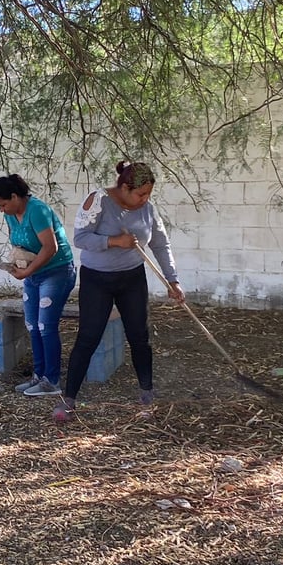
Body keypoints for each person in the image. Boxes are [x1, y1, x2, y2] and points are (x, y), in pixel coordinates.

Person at [55, 161, 185, 421]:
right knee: (88, 337)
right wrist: (114, 241)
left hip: (132, 279)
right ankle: (68, 401)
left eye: (148, 194)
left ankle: (147, 395)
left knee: (140, 336)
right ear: (125, 188)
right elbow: (80, 238)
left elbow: (160, 243)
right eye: (140, 194)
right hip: (97, 280)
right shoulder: (98, 201)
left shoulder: (147, 209)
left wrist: (173, 280)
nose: (145, 199)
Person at [0, 174, 77, 397]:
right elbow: (19, 244)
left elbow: (50, 247)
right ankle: (39, 375)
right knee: (32, 325)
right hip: (33, 274)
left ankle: (52, 381)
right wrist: (17, 265)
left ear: (16, 196)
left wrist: (27, 270)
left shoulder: (37, 210)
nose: (2, 210)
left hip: (56, 272)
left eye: (3, 204)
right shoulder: (11, 215)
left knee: (46, 326)